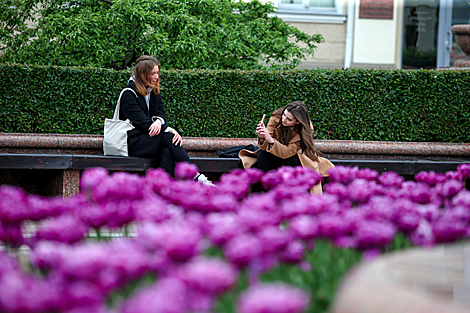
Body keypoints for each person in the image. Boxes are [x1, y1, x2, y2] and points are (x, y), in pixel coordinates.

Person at [119, 55, 213, 185]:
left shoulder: (154, 91)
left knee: (167, 151)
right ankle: (195, 176)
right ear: (142, 74)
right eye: (153, 73)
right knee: (169, 138)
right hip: (133, 141)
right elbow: (142, 122)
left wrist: (158, 121)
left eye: (157, 72)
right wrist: (168, 129)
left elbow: (161, 113)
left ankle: (163, 187)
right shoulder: (128, 93)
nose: (157, 77)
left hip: (150, 139)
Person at [239, 101, 334, 193]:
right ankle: (271, 190)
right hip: (274, 151)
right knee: (262, 155)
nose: (283, 119)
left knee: (291, 160)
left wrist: (270, 139)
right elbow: (265, 148)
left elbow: (287, 152)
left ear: (297, 122)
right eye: (284, 115)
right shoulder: (276, 117)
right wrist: (262, 138)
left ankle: (291, 191)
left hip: (295, 155)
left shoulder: (305, 130)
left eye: (289, 119)